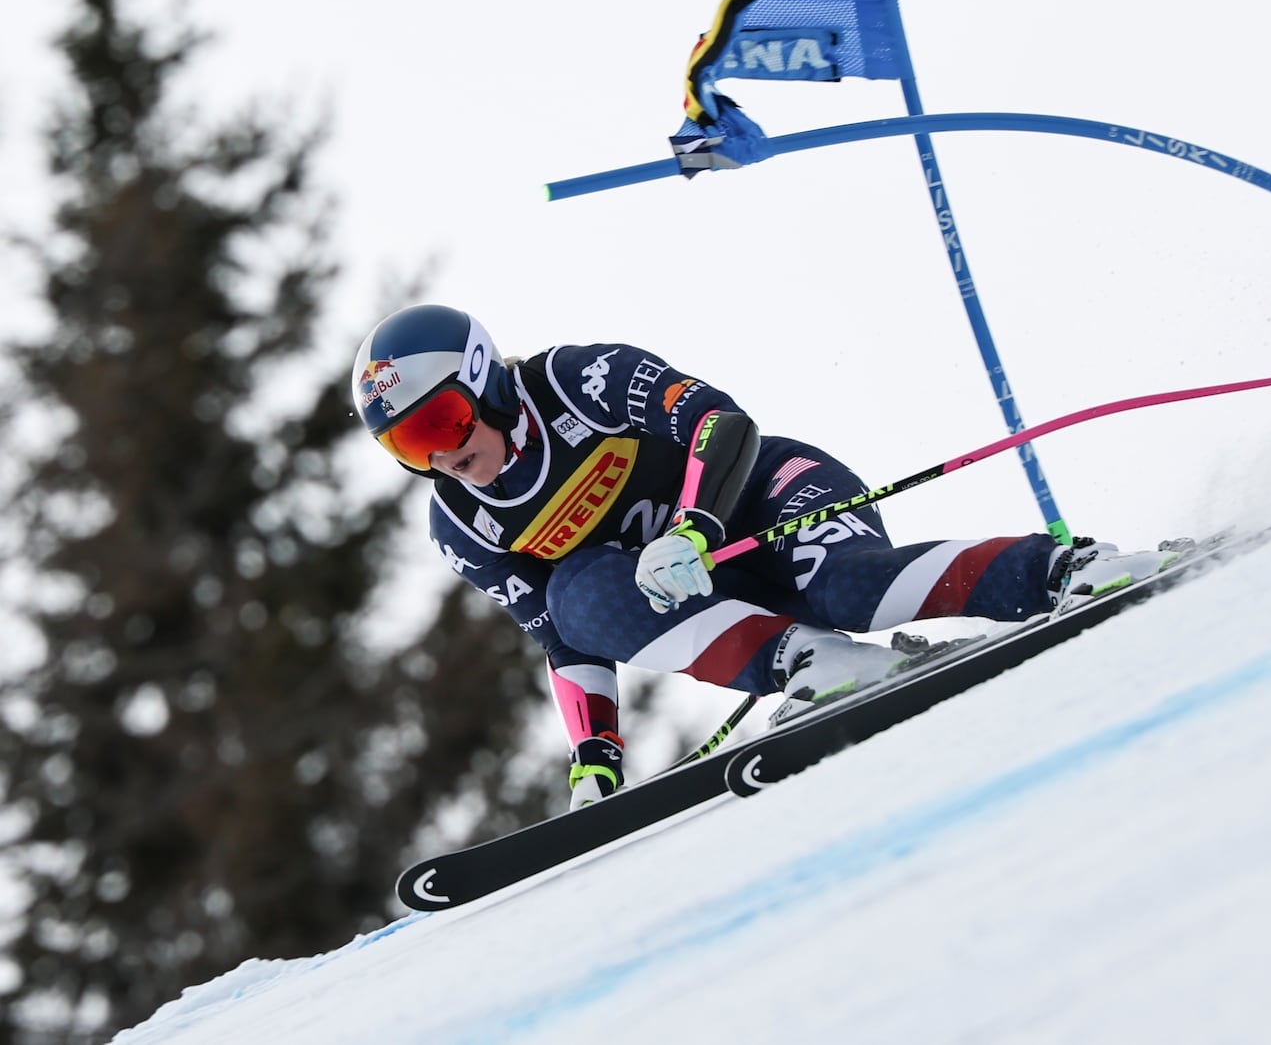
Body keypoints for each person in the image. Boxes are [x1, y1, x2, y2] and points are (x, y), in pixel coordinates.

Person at [352, 304, 1173, 809]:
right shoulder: (464, 524)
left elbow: (722, 425)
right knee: (577, 598)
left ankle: (1065, 568)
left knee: (853, 588)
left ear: (486, 379)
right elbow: (562, 638)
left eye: (443, 421)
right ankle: (813, 661)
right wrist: (593, 761)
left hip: (768, 499)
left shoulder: (577, 379)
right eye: (410, 445)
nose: (441, 455)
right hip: (716, 596)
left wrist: (695, 528)